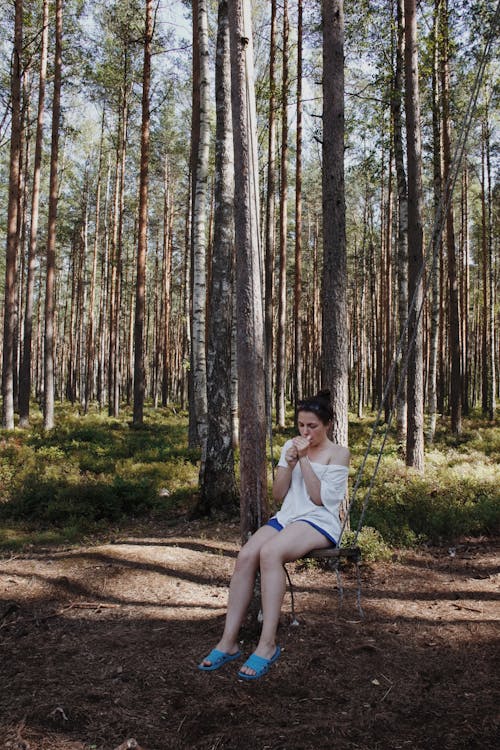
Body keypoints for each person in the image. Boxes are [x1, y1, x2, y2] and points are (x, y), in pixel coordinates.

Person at [198, 390, 350, 681]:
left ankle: (267, 644)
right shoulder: (288, 447)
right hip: (288, 516)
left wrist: (305, 461)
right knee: (245, 556)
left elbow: (319, 499)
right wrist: (289, 463)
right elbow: (280, 494)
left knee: (270, 553)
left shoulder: (338, 453)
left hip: (319, 521)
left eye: (312, 426)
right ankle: (228, 641)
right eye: (301, 425)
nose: (305, 432)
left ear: (327, 424)